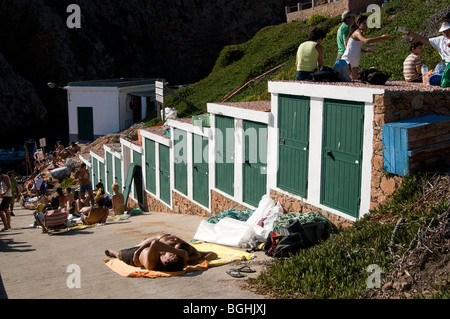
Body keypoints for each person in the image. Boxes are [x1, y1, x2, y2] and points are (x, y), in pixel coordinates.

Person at [105, 233, 218, 272]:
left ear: (164, 262)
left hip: (134, 256)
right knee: (146, 242)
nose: (172, 252)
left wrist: (176, 251)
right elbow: (213, 254)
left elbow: (154, 244)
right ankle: (141, 243)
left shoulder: (152, 264)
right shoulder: (184, 258)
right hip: (147, 248)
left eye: (170, 254)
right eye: (174, 253)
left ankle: (112, 252)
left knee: (119, 255)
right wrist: (199, 261)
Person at [341, 15, 391, 80]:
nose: (366, 25)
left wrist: (366, 51)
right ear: (358, 24)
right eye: (364, 23)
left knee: (355, 80)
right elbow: (366, 41)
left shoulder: (359, 33)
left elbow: (354, 48)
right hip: (348, 60)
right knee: (351, 81)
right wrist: (381, 37)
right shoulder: (357, 32)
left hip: (355, 61)